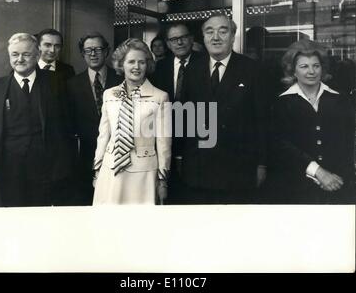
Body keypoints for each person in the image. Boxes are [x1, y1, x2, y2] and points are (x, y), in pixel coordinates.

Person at [0, 33, 73, 207]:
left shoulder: (57, 84)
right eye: (15, 54)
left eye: (26, 54)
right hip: (5, 172)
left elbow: (67, 130)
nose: (20, 59)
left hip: (46, 173)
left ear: (36, 55)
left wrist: (63, 170)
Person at [180, 13, 267, 204]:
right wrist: (181, 158)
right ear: (203, 38)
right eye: (209, 32)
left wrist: (262, 163)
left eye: (223, 31)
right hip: (199, 168)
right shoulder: (192, 69)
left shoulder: (252, 70)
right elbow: (183, 119)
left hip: (237, 170)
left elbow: (262, 121)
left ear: (233, 36)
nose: (215, 37)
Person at [267, 39, 355, 204]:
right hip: (295, 187)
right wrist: (318, 172)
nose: (311, 71)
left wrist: (339, 178)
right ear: (293, 71)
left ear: (323, 69)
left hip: (338, 185)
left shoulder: (340, 100)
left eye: (316, 66)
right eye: (304, 66)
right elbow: (280, 146)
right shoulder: (281, 103)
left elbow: (348, 143)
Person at [92, 38, 171, 205]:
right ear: (122, 65)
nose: (136, 67)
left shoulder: (160, 97)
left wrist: (162, 180)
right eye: (131, 62)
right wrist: (97, 170)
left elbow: (164, 142)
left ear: (147, 65)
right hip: (111, 169)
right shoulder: (109, 94)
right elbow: (103, 136)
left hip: (143, 172)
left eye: (141, 62)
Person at [66, 32, 121, 205]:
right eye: (88, 50)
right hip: (85, 157)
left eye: (98, 49)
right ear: (82, 54)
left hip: (118, 153)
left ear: (106, 52)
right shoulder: (72, 84)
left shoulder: (121, 79)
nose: (93, 54)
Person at [151, 23, 203, 204]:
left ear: (191, 39)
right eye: (173, 39)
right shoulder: (161, 67)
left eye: (183, 37)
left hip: (197, 137)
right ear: (168, 43)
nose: (179, 42)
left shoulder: (205, 62)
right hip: (168, 135)